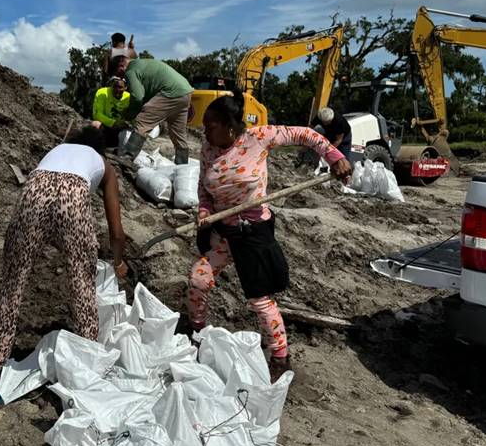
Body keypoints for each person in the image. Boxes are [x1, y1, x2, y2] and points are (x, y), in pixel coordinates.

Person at [189, 93, 352, 382]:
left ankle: (280, 358)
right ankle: (196, 333)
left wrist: (334, 156)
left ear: (229, 126)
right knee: (199, 278)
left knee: (259, 299)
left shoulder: (258, 138)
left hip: (252, 232)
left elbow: (305, 134)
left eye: (211, 126)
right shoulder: (208, 149)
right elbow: (204, 187)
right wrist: (204, 209)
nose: (205, 132)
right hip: (223, 230)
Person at [0, 126, 127, 409]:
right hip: (72, 201)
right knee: (83, 291)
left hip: (33, 194)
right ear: (101, 149)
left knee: (12, 289)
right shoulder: (103, 164)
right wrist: (118, 261)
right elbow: (116, 231)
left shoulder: (56, 152)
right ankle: (85, 384)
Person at [109, 43, 193, 164]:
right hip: (185, 92)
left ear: (121, 65)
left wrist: (129, 114)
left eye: (118, 73)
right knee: (178, 133)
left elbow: (138, 97)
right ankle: (182, 164)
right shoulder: (141, 64)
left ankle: (127, 157)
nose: (120, 77)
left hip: (170, 91)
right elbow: (145, 94)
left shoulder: (131, 70)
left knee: (142, 121)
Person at [91, 77, 131, 147]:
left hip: (120, 129)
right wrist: (113, 123)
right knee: (95, 124)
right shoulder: (102, 92)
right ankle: (96, 146)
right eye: (115, 86)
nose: (117, 90)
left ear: (125, 88)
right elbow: (97, 114)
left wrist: (125, 123)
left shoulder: (129, 97)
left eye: (120, 87)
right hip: (106, 125)